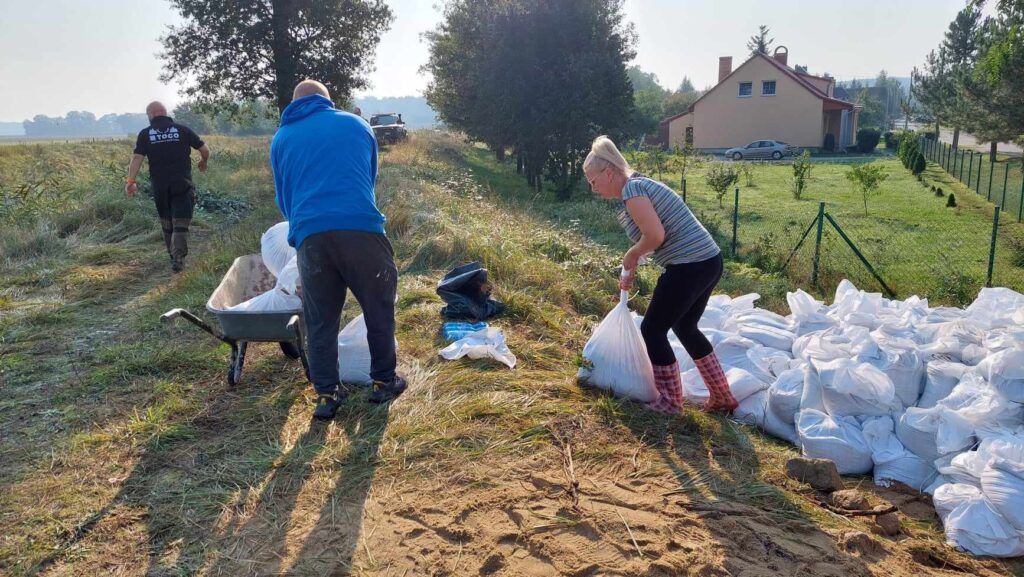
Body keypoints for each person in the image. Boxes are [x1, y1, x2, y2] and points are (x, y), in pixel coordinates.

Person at [271, 79, 405, 421]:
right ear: (327, 101)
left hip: (312, 238)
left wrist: (306, 226)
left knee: (320, 320)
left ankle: (327, 395)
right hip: (362, 230)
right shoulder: (356, 124)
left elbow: (284, 198)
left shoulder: (282, 138)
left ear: (295, 102)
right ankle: (383, 382)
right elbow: (368, 178)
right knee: (378, 308)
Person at [583, 136, 738, 414]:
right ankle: (722, 397)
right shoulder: (639, 185)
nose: (592, 188)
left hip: (689, 265)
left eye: (593, 181)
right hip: (708, 261)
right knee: (685, 328)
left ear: (608, 172)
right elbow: (653, 237)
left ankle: (669, 402)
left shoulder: (632, 190)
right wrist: (634, 264)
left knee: (653, 330)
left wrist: (631, 255)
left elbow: (655, 235)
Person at [125, 101, 210, 272]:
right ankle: (178, 258)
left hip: (160, 186)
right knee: (181, 222)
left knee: (167, 222)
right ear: (165, 113)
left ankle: (173, 256)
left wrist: (130, 182)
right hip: (182, 183)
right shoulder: (182, 129)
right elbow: (204, 149)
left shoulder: (145, 134)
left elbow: (137, 158)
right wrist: (203, 161)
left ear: (151, 115)